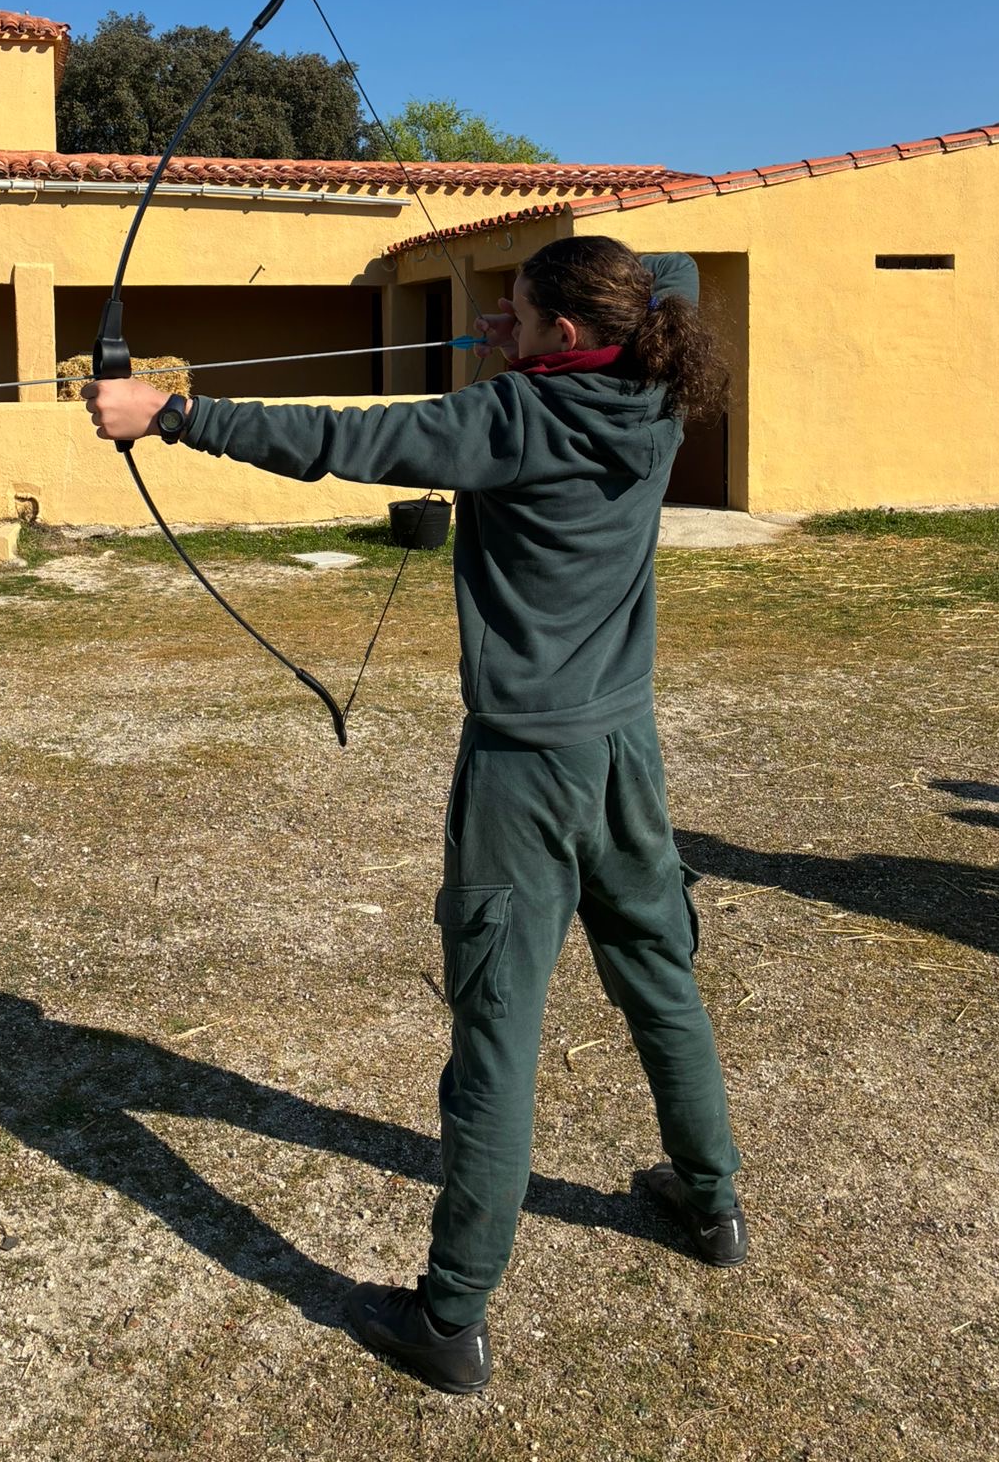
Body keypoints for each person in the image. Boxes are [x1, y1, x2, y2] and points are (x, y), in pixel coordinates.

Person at [84, 235, 745, 1394]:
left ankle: (450, 1315)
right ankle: (712, 1200)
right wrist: (539, 331)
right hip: (624, 751)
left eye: (520, 310)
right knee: (659, 976)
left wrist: (170, 412)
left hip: (524, 772)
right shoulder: (655, 387)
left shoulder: (512, 419)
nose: (502, 321)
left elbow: (338, 440)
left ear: (570, 335)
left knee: (497, 1032)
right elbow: (672, 266)